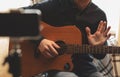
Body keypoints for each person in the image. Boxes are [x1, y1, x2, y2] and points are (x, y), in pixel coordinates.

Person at [22, 0, 111, 77]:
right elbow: (19, 15)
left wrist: (97, 47)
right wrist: (40, 41)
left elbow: (100, 56)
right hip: (54, 66)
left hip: (85, 67)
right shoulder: (54, 5)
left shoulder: (99, 15)